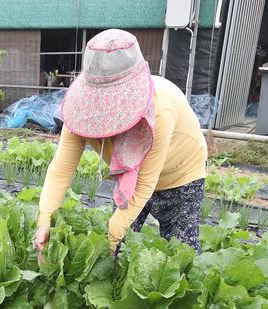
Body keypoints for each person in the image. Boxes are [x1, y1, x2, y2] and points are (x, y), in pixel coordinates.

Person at [34, 29, 208, 261]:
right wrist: (45, 218)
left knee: (181, 257)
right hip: (131, 178)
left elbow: (146, 181)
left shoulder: (160, 110)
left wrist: (114, 235)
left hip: (181, 173)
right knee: (118, 250)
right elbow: (61, 170)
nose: (101, 110)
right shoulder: (80, 113)